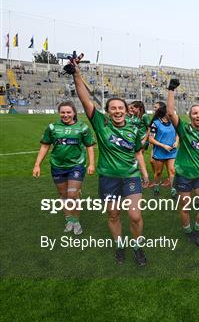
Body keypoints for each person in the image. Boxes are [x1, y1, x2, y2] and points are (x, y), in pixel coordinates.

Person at [70, 56, 150, 266]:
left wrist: (144, 173)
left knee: (134, 216)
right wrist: (76, 73)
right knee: (113, 215)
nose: (117, 111)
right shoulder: (101, 124)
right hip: (108, 178)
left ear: (126, 110)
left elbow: (139, 153)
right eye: (112, 108)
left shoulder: (134, 128)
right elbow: (84, 99)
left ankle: (137, 246)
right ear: (107, 112)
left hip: (131, 176)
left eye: (120, 108)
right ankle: (120, 244)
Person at [33, 101, 95, 235]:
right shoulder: (52, 127)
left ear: (74, 113)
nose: (65, 115)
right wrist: (37, 164)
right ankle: (69, 219)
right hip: (57, 166)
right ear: (59, 113)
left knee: (72, 195)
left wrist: (91, 164)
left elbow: (90, 146)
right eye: (63, 112)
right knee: (64, 195)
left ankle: (76, 220)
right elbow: (45, 146)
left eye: (68, 112)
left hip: (76, 166)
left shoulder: (82, 127)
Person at [167, 78, 199, 247]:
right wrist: (171, 89)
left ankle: (197, 228)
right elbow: (171, 113)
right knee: (185, 208)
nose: (198, 116)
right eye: (195, 113)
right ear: (190, 115)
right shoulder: (184, 129)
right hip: (183, 175)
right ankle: (188, 231)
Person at [148, 104, 179, 197]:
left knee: (172, 170)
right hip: (160, 152)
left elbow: (178, 134)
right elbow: (151, 139)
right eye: (171, 111)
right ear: (165, 113)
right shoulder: (156, 123)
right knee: (158, 172)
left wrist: (176, 141)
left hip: (172, 151)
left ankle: (173, 191)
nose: (173, 113)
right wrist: (163, 145)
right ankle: (156, 187)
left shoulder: (174, 122)